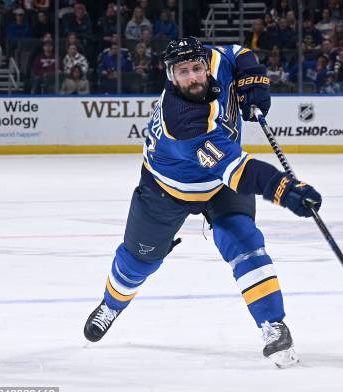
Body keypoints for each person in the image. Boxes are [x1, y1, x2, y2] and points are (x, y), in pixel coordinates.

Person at [83, 37, 322, 368]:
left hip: (218, 187)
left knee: (244, 241)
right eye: (184, 72)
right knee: (139, 260)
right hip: (166, 188)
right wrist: (284, 189)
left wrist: (251, 76)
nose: (193, 77)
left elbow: (237, 52)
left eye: (197, 68)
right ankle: (111, 304)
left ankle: (272, 323)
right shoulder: (183, 120)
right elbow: (236, 171)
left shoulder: (215, 61)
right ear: (171, 76)